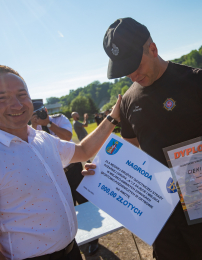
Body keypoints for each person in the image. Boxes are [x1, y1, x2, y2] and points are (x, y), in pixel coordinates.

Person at [101, 17, 202, 260]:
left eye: (134, 64)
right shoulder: (128, 102)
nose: (132, 74)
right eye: (124, 69)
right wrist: (105, 171)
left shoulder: (196, 80)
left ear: (152, 49)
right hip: (163, 215)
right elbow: (131, 154)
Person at [0, 65, 121, 260]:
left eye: (22, 95)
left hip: (71, 251)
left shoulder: (43, 139)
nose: (17, 105)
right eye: (2, 98)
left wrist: (113, 117)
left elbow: (83, 151)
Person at [31, 103, 100, 255]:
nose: (40, 115)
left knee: (84, 202)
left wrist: (48, 123)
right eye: (36, 114)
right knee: (67, 207)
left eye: (41, 112)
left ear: (46, 110)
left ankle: (94, 240)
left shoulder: (59, 119)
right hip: (56, 173)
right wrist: (34, 125)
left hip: (73, 168)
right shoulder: (32, 130)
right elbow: (34, 149)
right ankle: (75, 238)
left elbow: (67, 137)